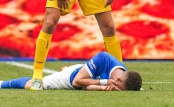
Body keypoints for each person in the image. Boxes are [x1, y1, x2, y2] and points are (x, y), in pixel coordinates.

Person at [0, 52, 142, 91]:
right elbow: (76, 82)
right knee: (34, 85)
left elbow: (88, 87)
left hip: (85, 74)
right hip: (71, 78)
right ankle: (2, 84)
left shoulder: (125, 76)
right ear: (118, 80)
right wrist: (104, 83)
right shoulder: (103, 58)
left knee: (86, 83)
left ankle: (66, 68)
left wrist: (103, 88)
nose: (115, 89)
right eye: (117, 88)